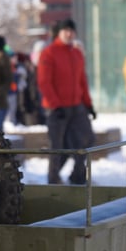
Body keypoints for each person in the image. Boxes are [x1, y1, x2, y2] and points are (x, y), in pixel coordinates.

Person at [37, 18, 96, 185]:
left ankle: (78, 175)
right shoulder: (48, 53)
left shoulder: (77, 53)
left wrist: (88, 104)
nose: (69, 34)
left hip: (77, 106)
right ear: (59, 33)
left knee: (87, 139)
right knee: (57, 146)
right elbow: (44, 82)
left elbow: (82, 81)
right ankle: (53, 180)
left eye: (71, 31)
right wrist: (55, 105)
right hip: (57, 109)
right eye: (66, 31)